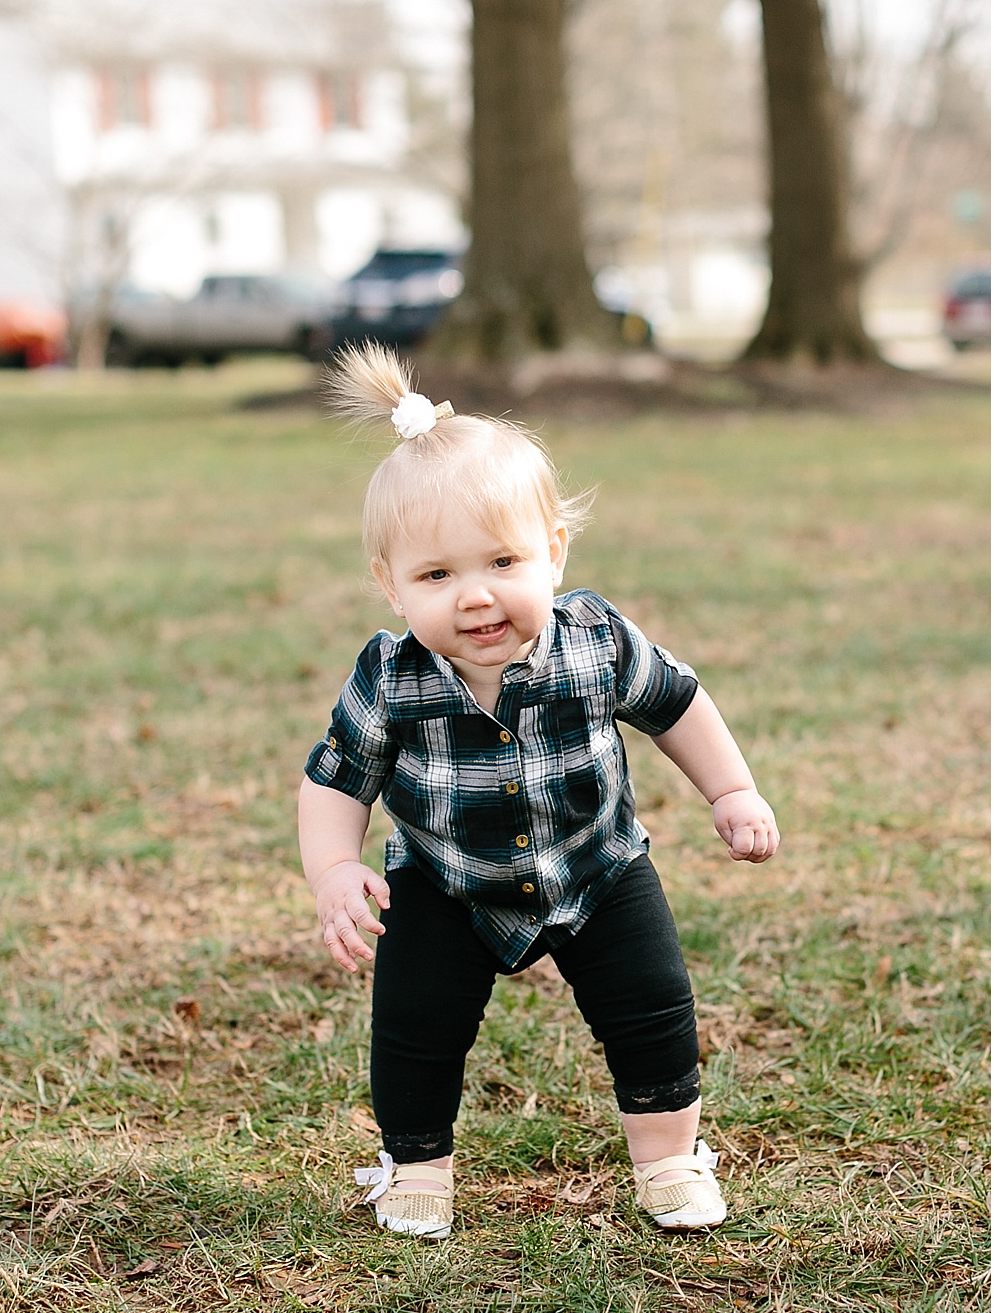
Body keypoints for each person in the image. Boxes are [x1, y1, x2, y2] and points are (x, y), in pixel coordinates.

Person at [299, 343, 779, 1241]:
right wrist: (333, 867)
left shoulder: (595, 639)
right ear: (390, 586)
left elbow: (677, 705)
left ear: (552, 552)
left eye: (502, 563)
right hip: (445, 884)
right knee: (415, 1027)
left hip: (598, 867)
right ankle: (416, 1168)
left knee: (651, 1008)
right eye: (437, 576)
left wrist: (732, 789)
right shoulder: (390, 676)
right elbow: (334, 779)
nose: (475, 598)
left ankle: (671, 1159)